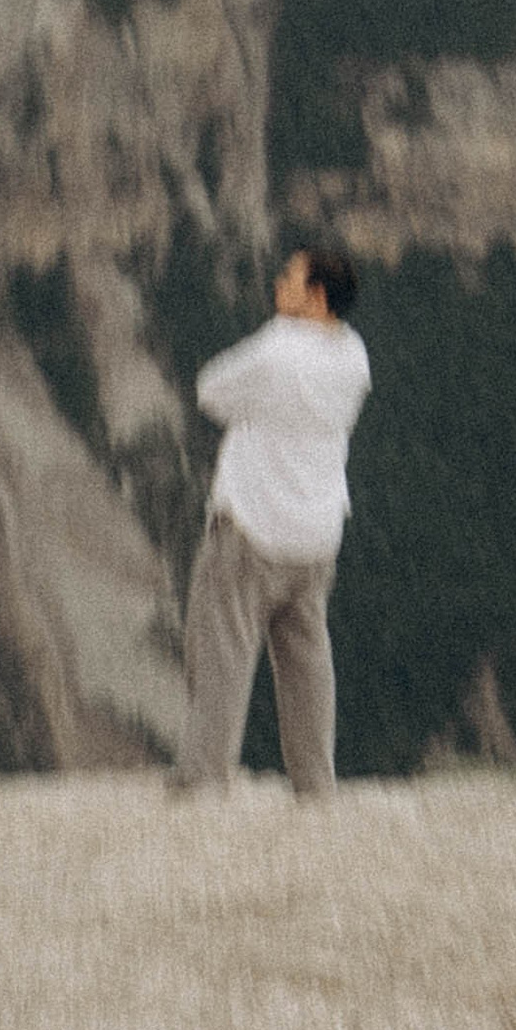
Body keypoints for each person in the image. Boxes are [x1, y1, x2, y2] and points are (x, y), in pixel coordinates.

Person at [174, 246, 371, 798]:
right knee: (307, 660)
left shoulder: (277, 349)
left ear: (316, 297)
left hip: (253, 527)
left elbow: (210, 389)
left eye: (289, 278)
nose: (277, 283)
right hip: (317, 534)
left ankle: (203, 779)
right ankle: (315, 784)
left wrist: (256, 400)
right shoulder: (355, 356)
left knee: (222, 653)